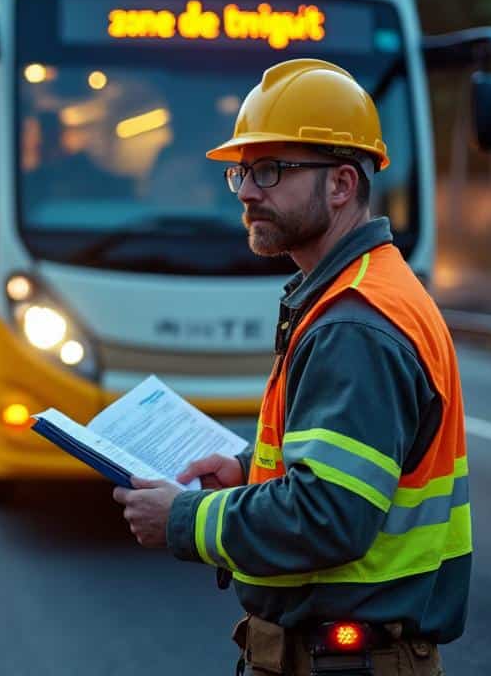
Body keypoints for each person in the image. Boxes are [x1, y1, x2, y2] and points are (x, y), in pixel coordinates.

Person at [115, 59, 471, 676]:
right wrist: (248, 471)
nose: (247, 192)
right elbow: (342, 475)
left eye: (271, 170)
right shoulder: (360, 292)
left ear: (341, 185)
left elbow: (329, 515)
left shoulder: (352, 323)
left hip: (344, 661)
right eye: (242, 172)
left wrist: (184, 519)